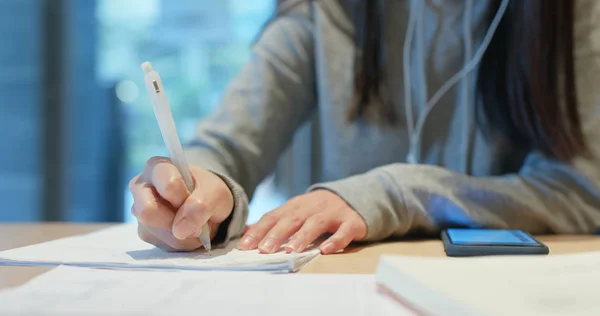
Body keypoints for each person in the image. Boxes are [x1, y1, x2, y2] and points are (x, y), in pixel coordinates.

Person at [129, 0, 600, 255]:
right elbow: (228, 144)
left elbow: (583, 190)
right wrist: (197, 190)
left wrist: (396, 193)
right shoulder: (328, 10)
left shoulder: (574, 12)